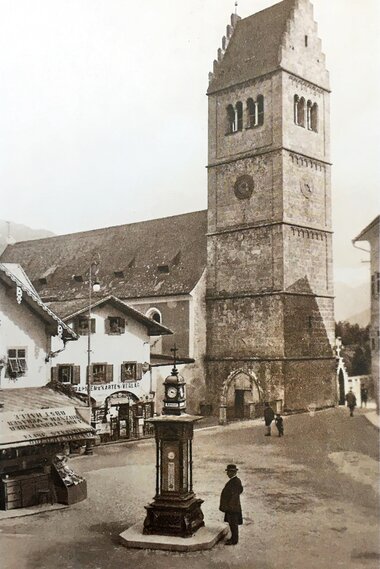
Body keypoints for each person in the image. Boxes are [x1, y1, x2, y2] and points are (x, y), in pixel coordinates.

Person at [219, 464, 243, 545]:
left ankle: (234, 540)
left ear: (233, 472)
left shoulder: (235, 482)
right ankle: (233, 538)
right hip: (232, 507)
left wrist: (229, 507)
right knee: (232, 523)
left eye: (228, 472)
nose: (227, 474)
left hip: (232, 508)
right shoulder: (235, 481)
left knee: (233, 524)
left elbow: (234, 495)